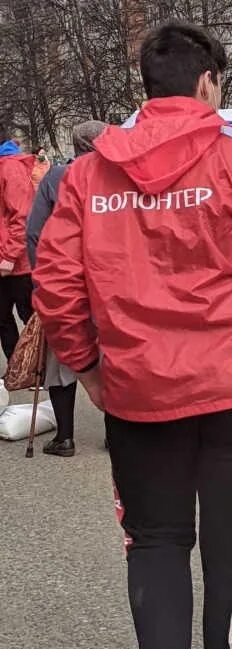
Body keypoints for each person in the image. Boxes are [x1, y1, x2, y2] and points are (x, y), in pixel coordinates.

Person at [33, 22, 232, 649]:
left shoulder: (87, 176)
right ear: (207, 85)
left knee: (157, 538)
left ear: (147, 89)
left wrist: (94, 371)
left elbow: (56, 285)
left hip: (141, 391)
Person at [26, 120, 107, 457]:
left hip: (68, 282)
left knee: (61, 360)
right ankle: (116, 434)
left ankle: (65, 436)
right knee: (112, 357)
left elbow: (35, 232)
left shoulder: (58, 177)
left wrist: (41, 279)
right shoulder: (122, 176)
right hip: (108, 283)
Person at [0, 124, 35, 363]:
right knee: (2, 318)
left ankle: (38, 369)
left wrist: (9, 256)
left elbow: (22, 215)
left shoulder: (10, 168)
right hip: (7, 258)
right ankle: (15, 368)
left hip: (17, 263)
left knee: (30, 317)